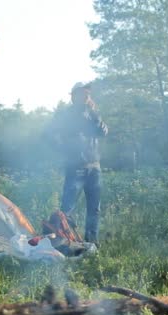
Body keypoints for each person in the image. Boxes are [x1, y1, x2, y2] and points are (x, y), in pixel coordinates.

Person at [46, 82, 108, 246]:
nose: (87, 95)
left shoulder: (92, 113)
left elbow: (103, 132)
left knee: (94, 209)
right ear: (74, 96)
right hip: (76, 167)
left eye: (88, 93)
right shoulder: (65, 115)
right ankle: (61, 242)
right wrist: (65, 149)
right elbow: (47, 134)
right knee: (67, 209)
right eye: (83, 93)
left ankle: (91, 243)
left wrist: (94, 114)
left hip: (95, 167)